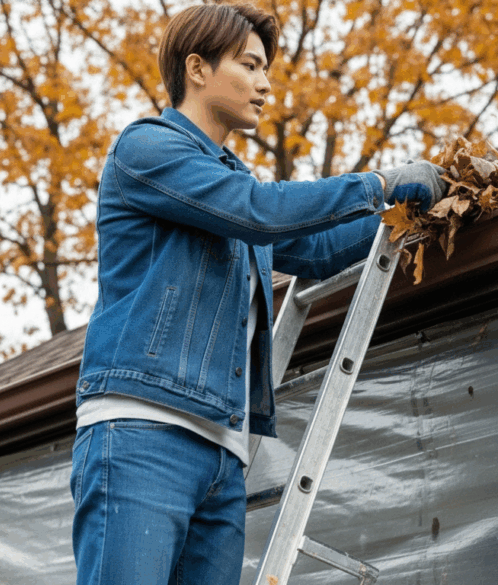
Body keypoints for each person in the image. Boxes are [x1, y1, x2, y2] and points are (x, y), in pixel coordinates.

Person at [69, 3, 448, 584]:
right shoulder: (148, 150)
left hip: (224, 453)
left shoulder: (232, 185)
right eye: (250, 65)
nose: (266, 84)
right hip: (144, 429)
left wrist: (403, 217)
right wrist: (376, 183)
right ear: (197, 69)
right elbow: (259, 211)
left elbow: (315, 250)